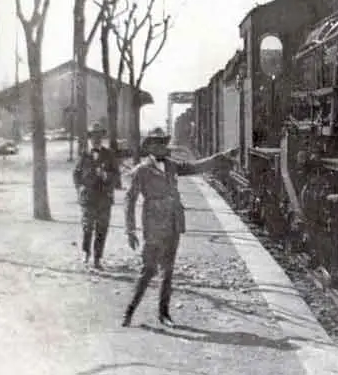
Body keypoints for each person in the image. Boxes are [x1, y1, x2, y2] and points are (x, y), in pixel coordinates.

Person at [122, 127, 236, 327]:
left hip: (174, 223)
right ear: (149, 146)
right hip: (154, 225)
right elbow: (129, 200)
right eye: (156, 143)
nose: (161, 146)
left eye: (163, 142)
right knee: (148, 270)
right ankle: (129, 311)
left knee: (168, 272)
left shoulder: (172, 165)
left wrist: (218, 158)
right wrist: (130, 230)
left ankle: (163, 314)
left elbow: (194, 167)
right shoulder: (142, 170)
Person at [73, 121, 119, 270]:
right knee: (87, 228)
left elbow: (116, 175)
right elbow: (76, 173)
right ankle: (86, 253)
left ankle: (98, 258)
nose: (96, 139)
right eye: (93, 136)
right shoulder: (84, 154)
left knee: (102, 229)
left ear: (102, 137)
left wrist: (105, 175)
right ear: (90, 138)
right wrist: (79, 187)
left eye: (99, 136)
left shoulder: (109, 154)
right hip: (88, 198)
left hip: (104, 198)